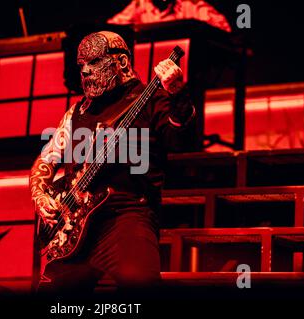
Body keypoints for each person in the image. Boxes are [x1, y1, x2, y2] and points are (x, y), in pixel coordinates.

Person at [30, 31, 195, 294]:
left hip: (127, 214)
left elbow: (181, 138)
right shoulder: (76, 112)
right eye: (81, 64)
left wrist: (178, 94)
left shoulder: (151, 98)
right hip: (73, 228)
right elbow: (46, 159)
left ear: (122, 62)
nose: (84, 71)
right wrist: (39, 195)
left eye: (94, 62)